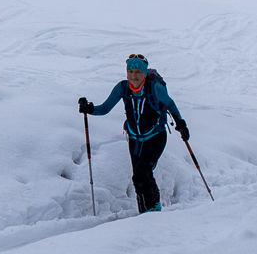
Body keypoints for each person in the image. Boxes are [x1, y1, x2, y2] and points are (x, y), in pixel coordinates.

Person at [80, 55, 188, 214]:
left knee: (140, 174)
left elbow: (170, 104)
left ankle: (148, 213)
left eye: (137, 71)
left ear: (144, 73)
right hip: (134, 138)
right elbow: (105, 108)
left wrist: (181, 123)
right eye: (130, 71)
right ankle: (151, 208)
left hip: (156, 136)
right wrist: (90, 109)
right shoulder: (122, 88)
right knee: (141, 175)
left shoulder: (155, 89)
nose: (133, 76)